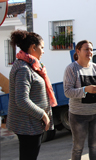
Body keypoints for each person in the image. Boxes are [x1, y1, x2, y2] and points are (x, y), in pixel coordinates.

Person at [7, 30, 57, 160]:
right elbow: (21, 99)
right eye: (42, 48)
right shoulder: (24, 68)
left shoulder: (30, 65)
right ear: (33, 47)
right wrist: (43, 115)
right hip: (27, 125)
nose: (43, 51)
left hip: (30, 124)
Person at [63, 40, 96, 160]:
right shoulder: (71, 69)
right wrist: (85, 89)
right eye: (86, 49)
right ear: (78, 51)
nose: (89, 52)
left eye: (91, 49)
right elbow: (67, 92)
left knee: (94, 146)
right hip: (78, 115)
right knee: (78, 147)